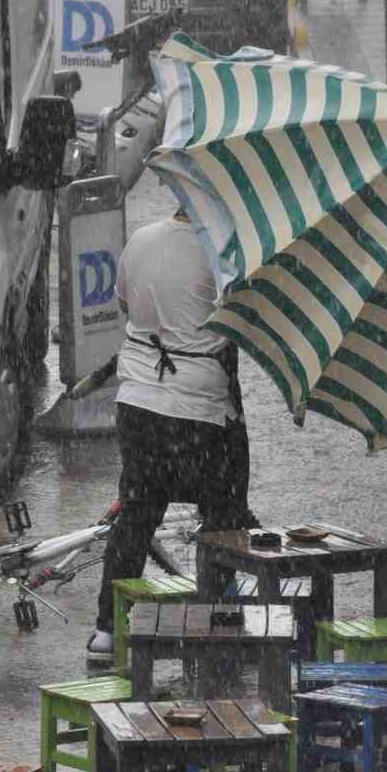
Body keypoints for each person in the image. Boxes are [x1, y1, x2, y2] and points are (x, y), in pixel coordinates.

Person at [85, 202, 253, 663]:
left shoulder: (142, 239)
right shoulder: (224, 255)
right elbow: (245, 324)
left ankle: (106, 630)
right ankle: (216, 616)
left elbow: (125, 304)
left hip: (138, 401)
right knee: (223, 509)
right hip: (200, 407)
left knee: (137, 512)